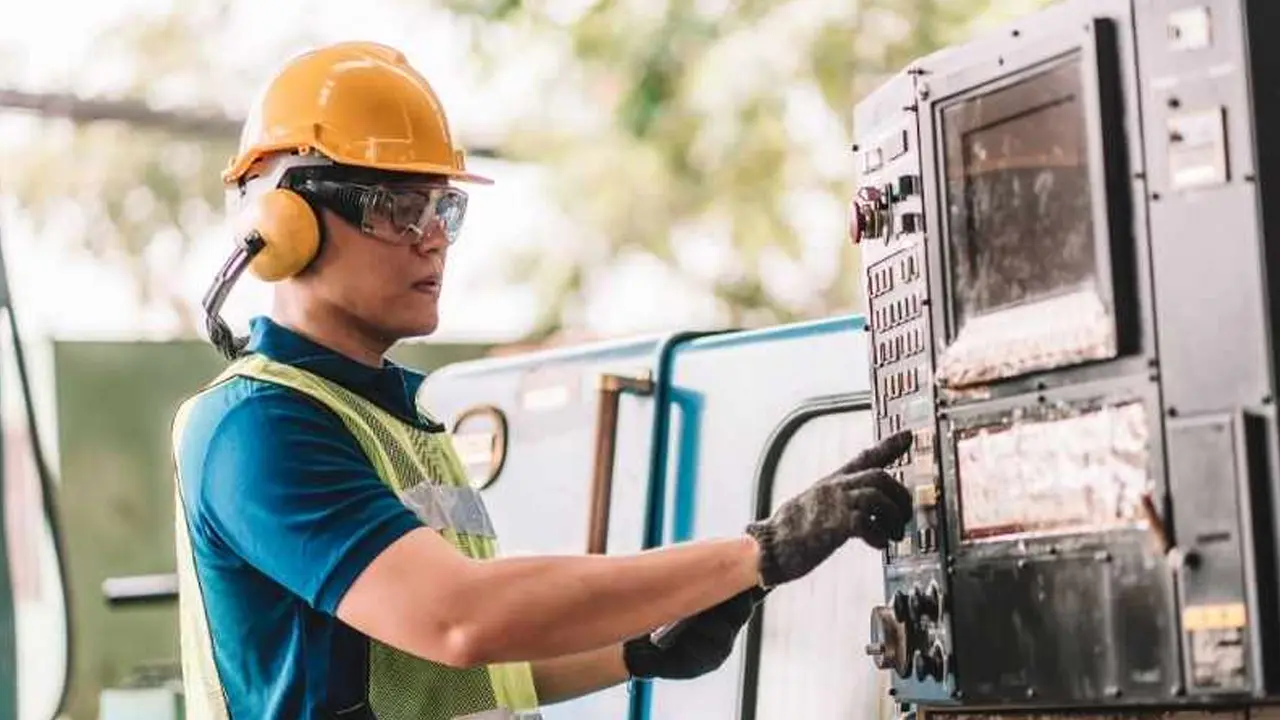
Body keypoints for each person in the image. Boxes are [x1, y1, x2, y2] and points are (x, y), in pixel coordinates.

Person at [172, 40, 915, 720]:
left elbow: (450, 678)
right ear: (284, 222)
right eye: (397, 208)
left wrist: (637, 652)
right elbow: (459, 618)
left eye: (443, 208)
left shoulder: (400, 418)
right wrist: (756, 552)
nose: (433, 238)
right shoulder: (258, 427)